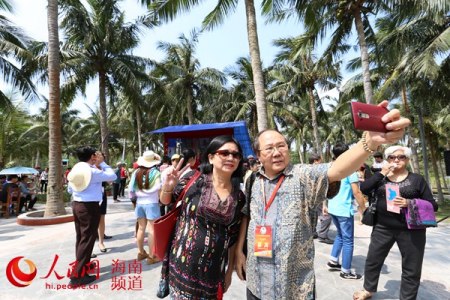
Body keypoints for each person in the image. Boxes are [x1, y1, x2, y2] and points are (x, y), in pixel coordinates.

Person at [235, 102, 410, 299]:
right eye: (269, 148)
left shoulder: (303, 175)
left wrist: (368, 143)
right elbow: (247, 216)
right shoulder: (252, 179)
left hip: (294, 286)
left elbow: (337, 169)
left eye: (281, 146)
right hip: (257, 280)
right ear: (258, 155)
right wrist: (239, 253)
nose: (277, 152)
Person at [159, 135, 246, 299]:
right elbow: (165, 201)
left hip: (212, 274)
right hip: (182, 267)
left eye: (236, 155)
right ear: (211, 157)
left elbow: (232, 236)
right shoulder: (193, 180)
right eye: (224, 153)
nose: (230, 158)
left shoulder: (239, 197)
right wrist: (167, 188)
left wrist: (228, 272)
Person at [353, 146, 438, 300]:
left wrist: (409, 202)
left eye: (401, 157)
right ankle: (368, 289)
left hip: (412, 230)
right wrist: (383, 173)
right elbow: (364, 189)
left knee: (412, 267)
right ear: (387, 159)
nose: (396, 160)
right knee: (373, 260)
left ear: (407, 160)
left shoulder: (416, 179)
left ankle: (407, 298)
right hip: (382, 227)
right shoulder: (381, 177)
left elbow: (433, 205)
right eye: (392, 157)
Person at [67, 146, 117, 286]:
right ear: (92, 157)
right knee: (87, 238)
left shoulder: (76, 170)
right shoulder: (92, 171)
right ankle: (77, 276)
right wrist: (102, 163)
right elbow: (112, 176)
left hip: (77, 204)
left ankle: (83, 266)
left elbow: (70, 188)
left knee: (81, 237)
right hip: (89, 206)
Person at [326, 143, 366, 279]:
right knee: (348, 240)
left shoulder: (330, 168)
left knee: (340, 235)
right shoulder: (350, 171)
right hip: (343, 209)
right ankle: (346, 271)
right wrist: (364, 208)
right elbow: (357, 192)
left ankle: (333, 260)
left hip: (333, 207)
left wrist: (325, 205)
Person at [128, 150, 162, 265]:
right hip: (152, 203)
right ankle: (152, 256)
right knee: (151, 229)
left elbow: (130, 189)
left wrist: (137, 195)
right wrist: (148, 193)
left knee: (141, 228)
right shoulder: (156, 172)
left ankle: (141, 252)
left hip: (139, 204)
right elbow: (158, 186)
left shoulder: (136, 172)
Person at [308, 154, 334, 244]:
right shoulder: (318, 171)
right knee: (327, 216)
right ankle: (322, 235)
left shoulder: (306, 170)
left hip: (309, 197)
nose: (321, 162)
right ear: (315, 161)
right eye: (320, 160)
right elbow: (321, 187)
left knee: (313, 215)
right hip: (318, 197)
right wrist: (324, 204)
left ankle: (312, 232)